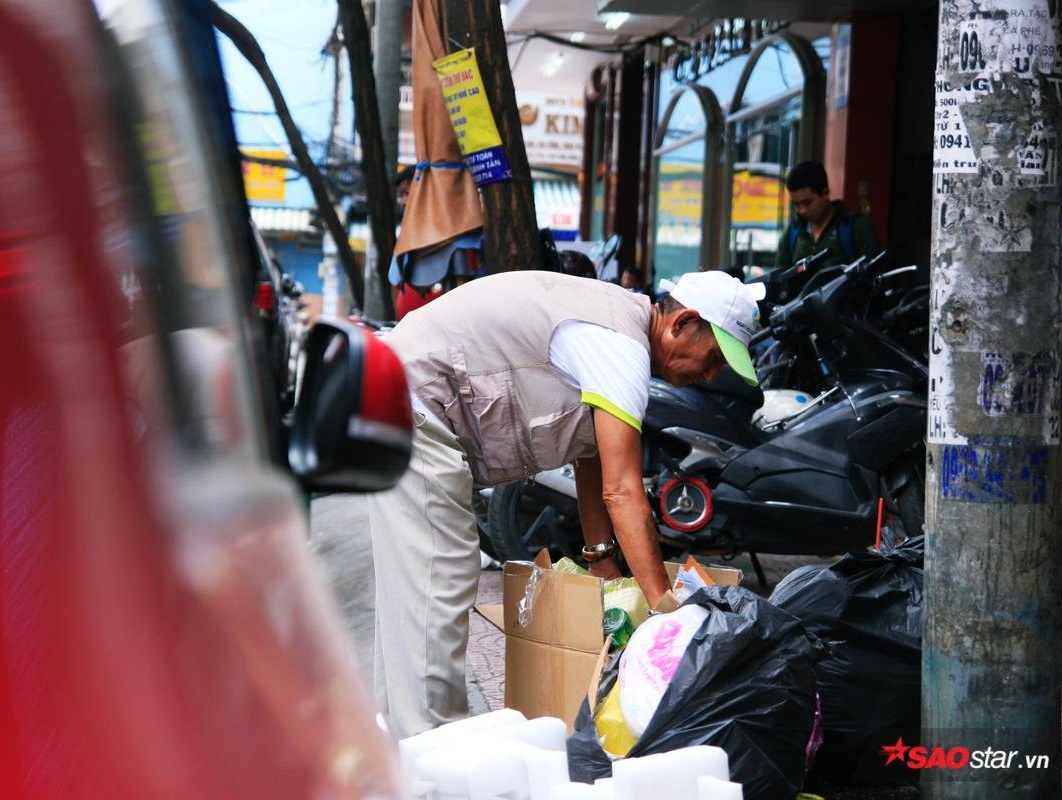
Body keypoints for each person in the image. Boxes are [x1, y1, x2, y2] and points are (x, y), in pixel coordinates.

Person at [367, 269, 763, 739]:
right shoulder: (621, 346)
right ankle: (432, 759)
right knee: (440, 577)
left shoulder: (618, 324)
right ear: (682, 323)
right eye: (714, 357)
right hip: (413, 398)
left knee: (410, 592)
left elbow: (591, 453)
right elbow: (622, 491)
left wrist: (601, 562)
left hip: (393, 390)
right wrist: (666, 612)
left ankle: (394, 746)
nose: (711, 375)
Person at [774, 160, 880, 268]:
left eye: (807, 203)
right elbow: (779, 280)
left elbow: (873, 276)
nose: (802, 210)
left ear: (825, 193)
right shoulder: (792, 233)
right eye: (796, 205)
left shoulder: (857, 229)